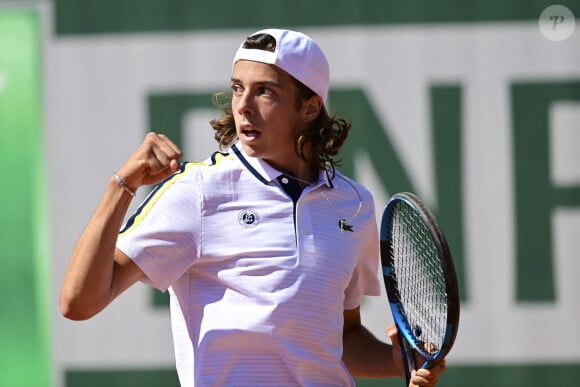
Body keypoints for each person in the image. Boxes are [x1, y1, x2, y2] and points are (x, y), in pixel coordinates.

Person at [60, 28, 445, 386]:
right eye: (237, 88)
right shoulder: (198, 190)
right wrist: (121, 186)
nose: (243, 106)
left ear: (310, 108)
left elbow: (340, 336)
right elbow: (78, 302)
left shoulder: (354, 204)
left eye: (265, 91)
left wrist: (397, 361)